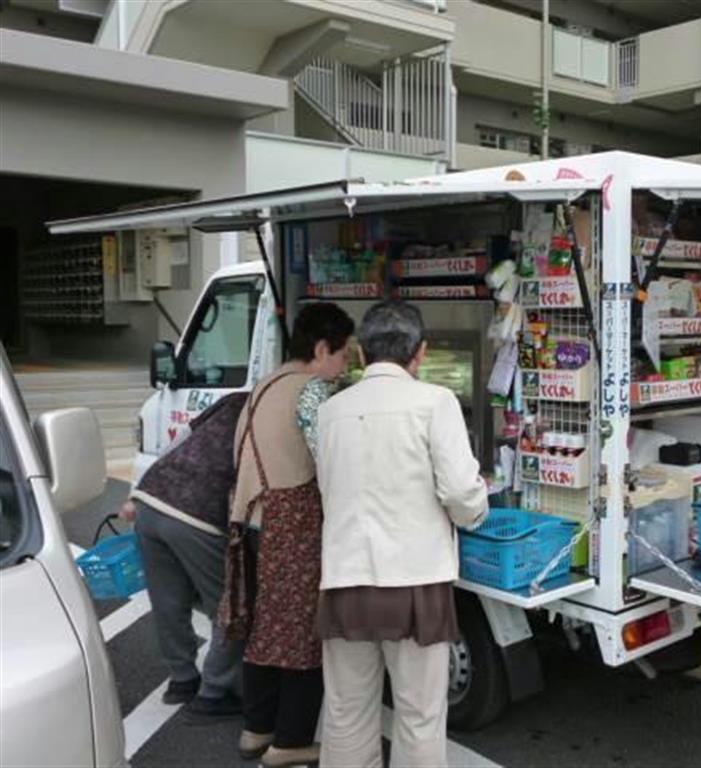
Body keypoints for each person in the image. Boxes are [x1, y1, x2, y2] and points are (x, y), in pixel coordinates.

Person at [315, 301, 489, 768]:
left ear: (360, 353)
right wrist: (475, 507)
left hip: (345, 579)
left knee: (347, 713)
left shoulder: (330, 412)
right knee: (418, 717)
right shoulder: (435, 403)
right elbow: (461, 492)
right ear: (421, 352)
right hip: (416, 584)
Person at [224, 302, 354, 768]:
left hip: (253, 521)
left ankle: (255, 729)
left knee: (265, 629)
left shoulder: (265, 385)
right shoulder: (311, 391)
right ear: (322, 349)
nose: (344, 368)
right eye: (343, 357)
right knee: (302, 633)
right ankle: (290, 741)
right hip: (292, 524)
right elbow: (332, 459)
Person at [120, 391, 247, 716]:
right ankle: (214, 691)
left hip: (152, 500)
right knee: (228, 604)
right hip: (198, 514)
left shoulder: (234, 399)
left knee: (167, 600)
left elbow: (179, 440)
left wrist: (137, 492)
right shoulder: (271, 411)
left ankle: (182, 679)